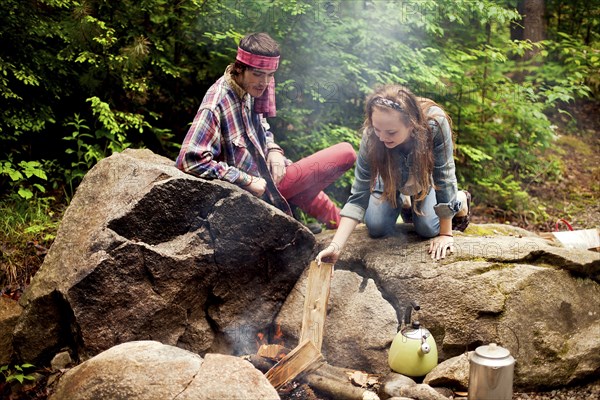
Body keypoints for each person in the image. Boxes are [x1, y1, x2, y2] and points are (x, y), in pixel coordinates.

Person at [176, 33, 356, 230]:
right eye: (258, 73)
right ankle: (338, 225)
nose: (265, 82)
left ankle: (340, 226)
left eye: (270, 75)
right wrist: (246, 180)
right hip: (258, 192)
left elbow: (263, 128)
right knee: (345, 153)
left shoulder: (254, 88)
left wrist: (274, 151)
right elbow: (188, 160)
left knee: (311, 191)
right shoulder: (217, 102)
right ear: (239, 68)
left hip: (272, 174)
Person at [316, 84, 471, 263]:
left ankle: (460, 200)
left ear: (411, 125)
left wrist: (446, 233)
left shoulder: (435, 124)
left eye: (391, 132)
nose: (382, 137)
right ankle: (406, 203)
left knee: (427, 228)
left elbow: (444, 176)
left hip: (423, 177)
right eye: (377, 129)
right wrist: (335, 247)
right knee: (376, 226)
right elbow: (358, 197)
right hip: (389, 176)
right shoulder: (372, 137)